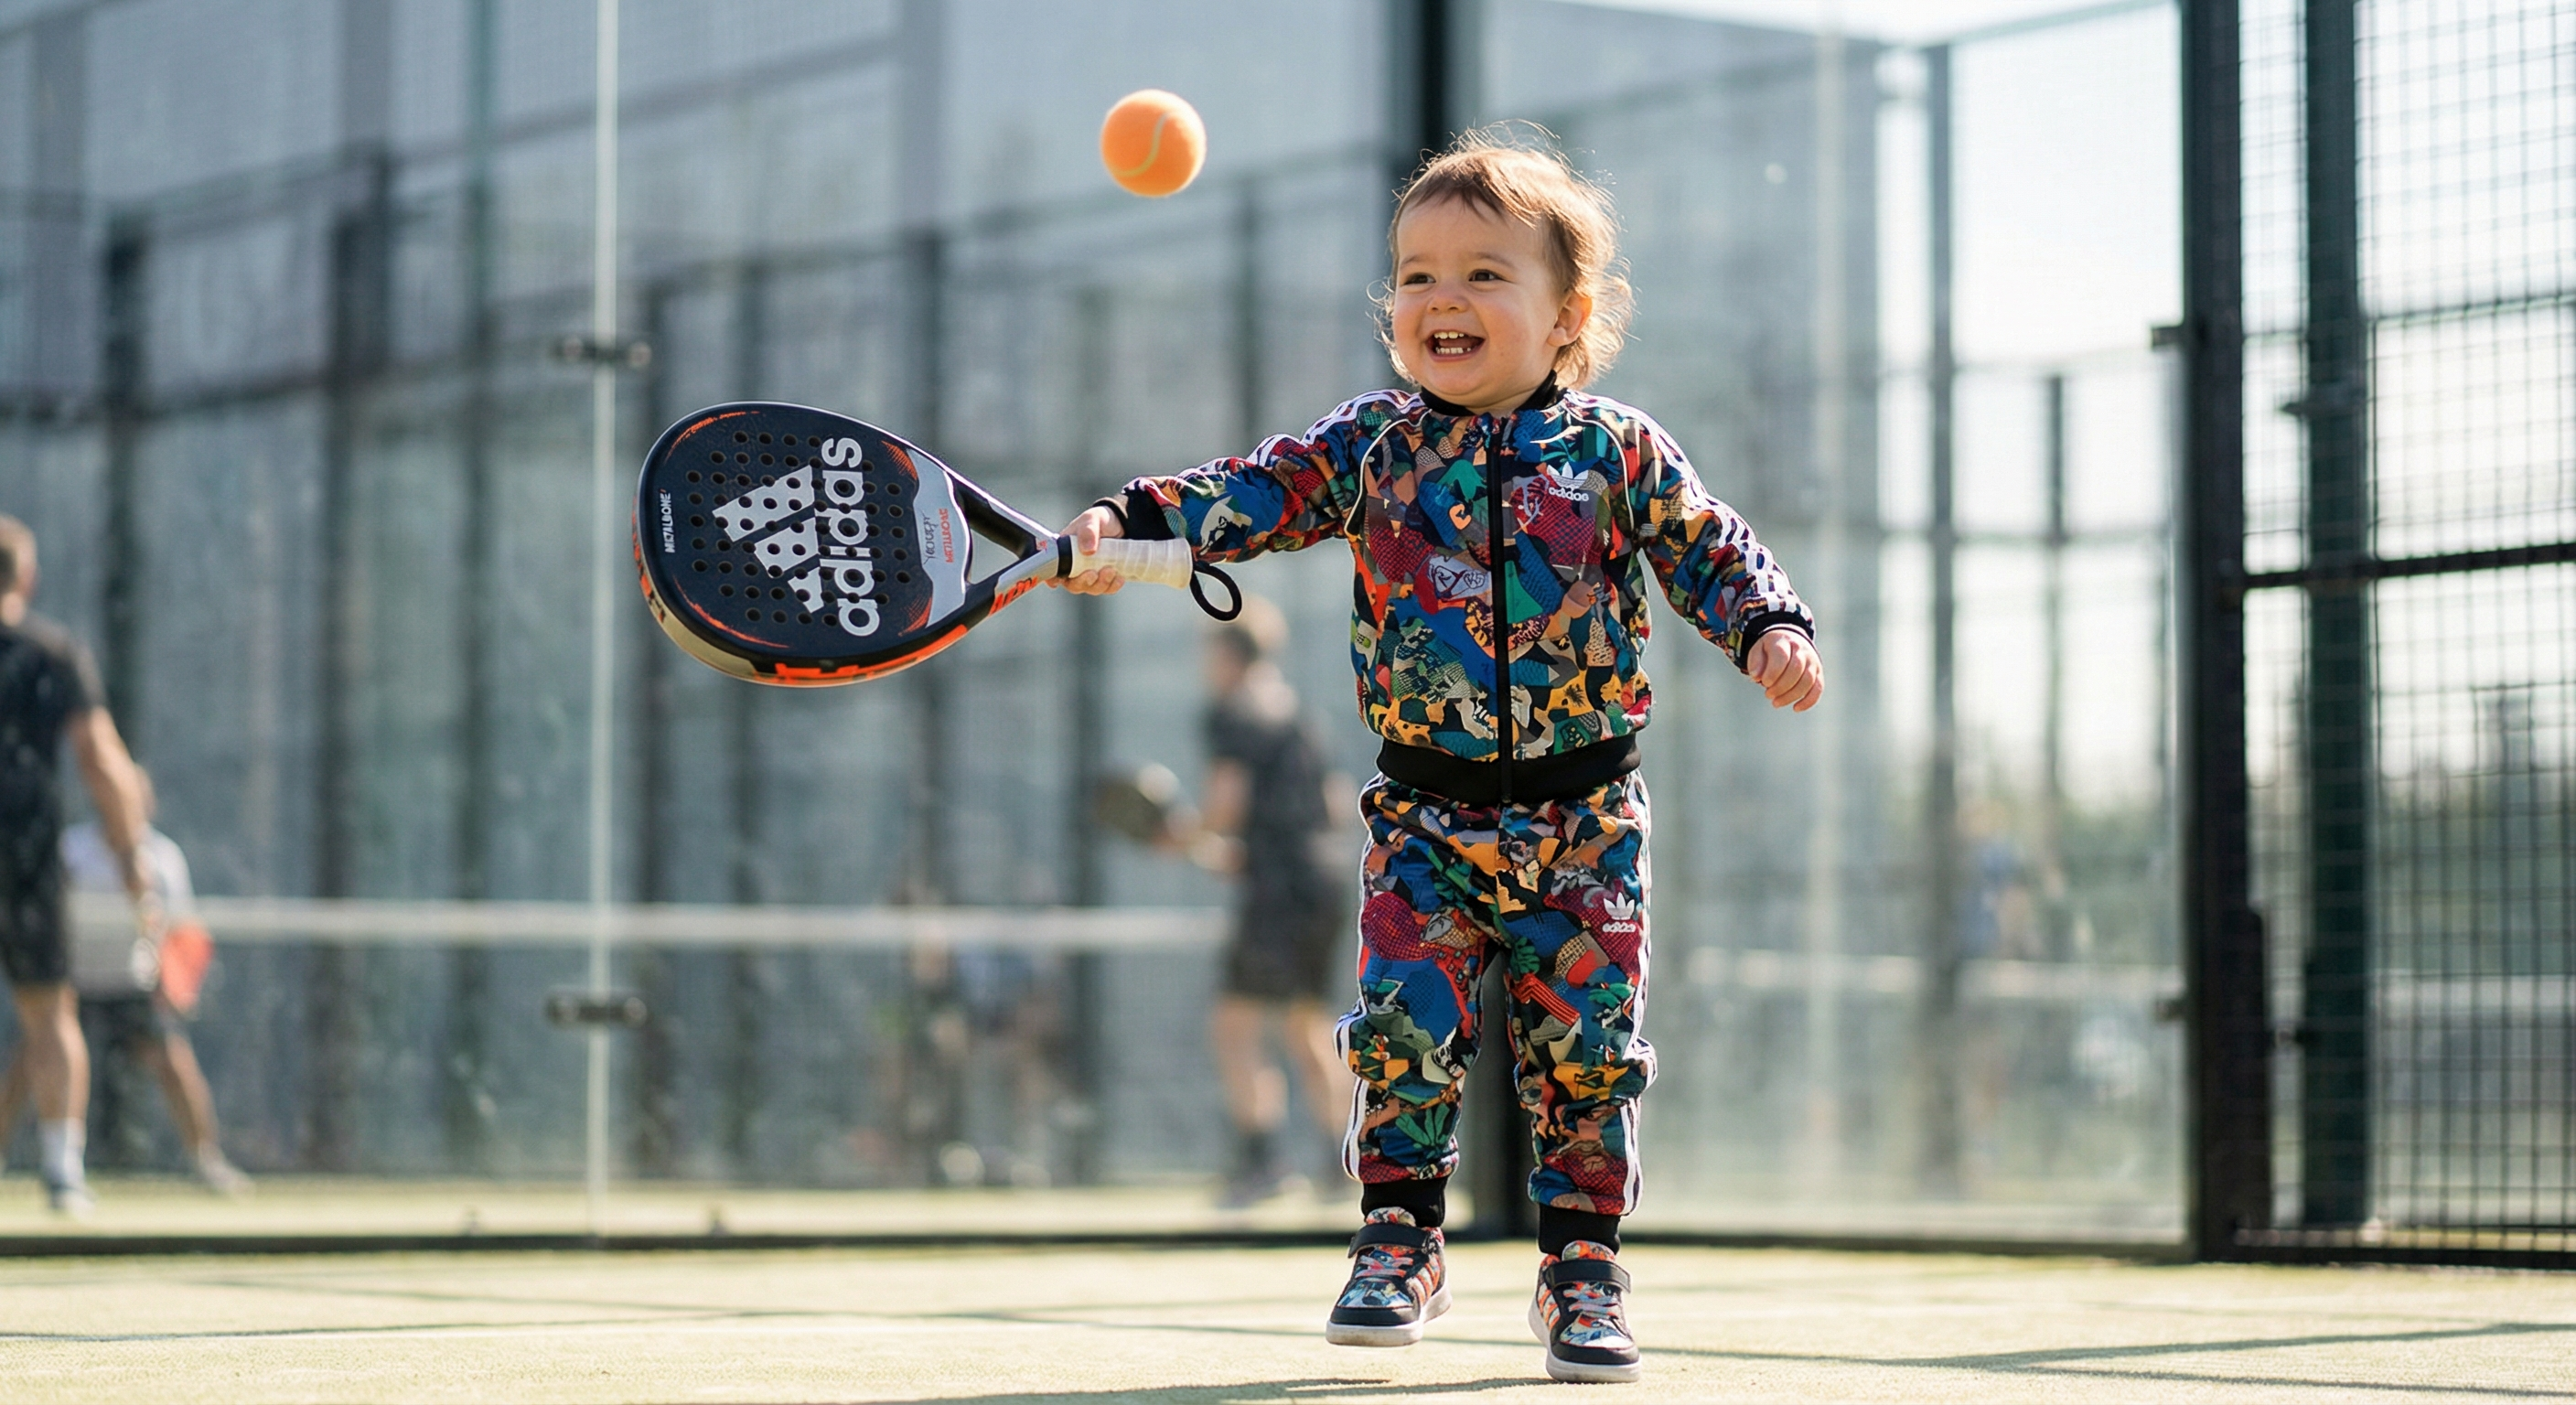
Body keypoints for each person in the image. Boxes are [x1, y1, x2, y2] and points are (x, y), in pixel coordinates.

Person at [1053, 130, 1824, 1384]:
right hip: (1423, 820)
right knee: (1402, 1038)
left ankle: (1583, 1268)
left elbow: (1712, 548)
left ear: (1567, 317)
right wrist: (1136, 523)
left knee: (1588, 1050)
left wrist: (1770, 625)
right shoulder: (1375, 447)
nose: (1440, 299)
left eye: (1480, 274)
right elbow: (1255, 490)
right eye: (1414, 276)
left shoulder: (1621, 453)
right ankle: (1398, 1241)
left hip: (1589, 824)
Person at [1151, 595, 1354, 1207]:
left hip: (1279, 891)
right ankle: (1343, 1166)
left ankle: (1263, 1163)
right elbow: (1335, 804)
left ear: (1227, 654)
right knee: (1306, 1025)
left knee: (1235, 1025)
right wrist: (1241, 850)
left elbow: (1225, 808)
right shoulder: (1300, 715)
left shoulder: (1232, 713)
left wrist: (1178, 838)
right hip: (1325, 882)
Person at [0, 515, 156, 1217]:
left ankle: (62, 1170)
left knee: (49, 1011)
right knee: (49, 1012)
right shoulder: (53, 652)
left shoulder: (52, 654)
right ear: (26, 578)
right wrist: (132, 862)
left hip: (28, 854)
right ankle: (63, 1172)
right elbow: (102, 761)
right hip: (25, 855)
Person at [0, 767, 251, 1196]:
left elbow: (179, 933)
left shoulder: (165, 858)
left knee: (173, 1064)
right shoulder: (71, 849)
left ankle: (206, 1159)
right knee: (32, 1063)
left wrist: (173, 987)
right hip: (72, 983)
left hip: (132, 984)